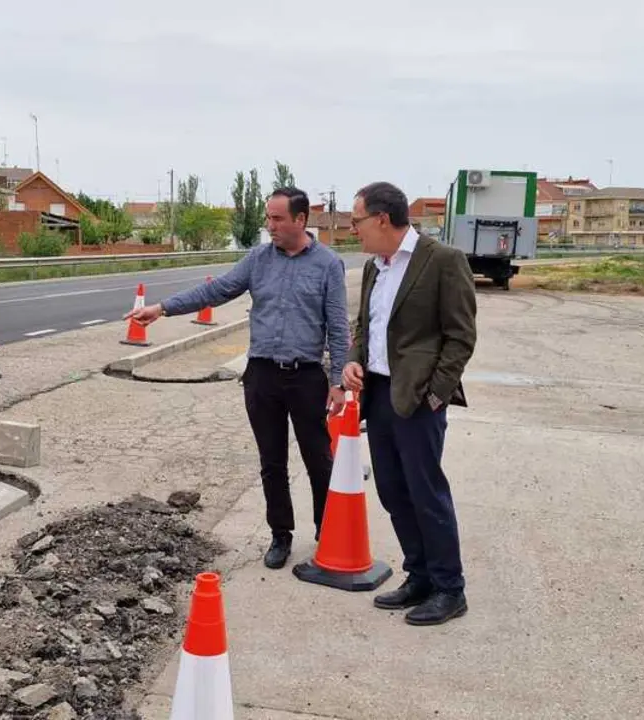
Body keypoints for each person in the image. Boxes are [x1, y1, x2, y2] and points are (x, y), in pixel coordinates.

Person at [125, 186, 350, 569]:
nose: (270, 225)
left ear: (300, 219)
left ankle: (325, 531)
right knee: (271, 461)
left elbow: (338, 325)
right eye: (268, 217)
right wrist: (163, 308)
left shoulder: (328, 264)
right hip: (262, 375)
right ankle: (280, 535)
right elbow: (217, 290)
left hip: (307, 377)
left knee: (318, 459)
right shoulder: (259, 259)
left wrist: (338, 381)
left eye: (278, 218)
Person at [342, 181, 477, 626]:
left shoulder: (442, 261)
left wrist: (436, 395)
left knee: (426, 492)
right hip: (379, 394)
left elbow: (460, 336)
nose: (352, 229)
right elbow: (366, 325)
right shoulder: (374, 268)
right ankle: (418, 575)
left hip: (418, 399)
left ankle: (449, 587)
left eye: (357, 220)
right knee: (393, 491)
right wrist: (354, 361)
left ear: (382, 219)